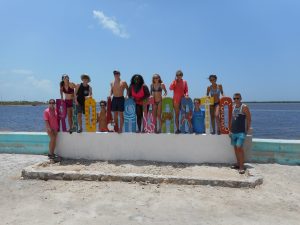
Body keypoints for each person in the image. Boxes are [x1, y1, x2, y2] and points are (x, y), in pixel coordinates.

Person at [229, 93, 251, 174]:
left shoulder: (244, 107)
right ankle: (238, 163)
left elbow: (249, 119)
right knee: (235, 148)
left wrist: (247, 130)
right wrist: (230, 130)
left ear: (241, 98)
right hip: (233, 132)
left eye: (237, 98)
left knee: (239, 148)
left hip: (241, 132)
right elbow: (232, 119)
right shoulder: (233, 107)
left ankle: (241, 166)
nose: (236, 100)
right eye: (234, 98)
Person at [169, 70, 189, 134]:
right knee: (177, 115)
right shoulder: (174, 81)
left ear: (182, 75)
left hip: (183, 100)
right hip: (176, 100)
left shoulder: (184, 82)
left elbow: (186, 90)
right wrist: (174, 82)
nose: (178, 76)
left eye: (180, 75)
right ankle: (177, 129)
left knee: (184, 115)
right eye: (177, 75)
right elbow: (170, 88)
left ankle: (184, 129)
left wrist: (186, 95)